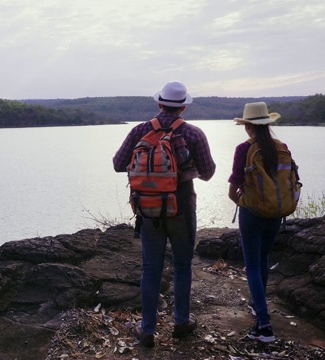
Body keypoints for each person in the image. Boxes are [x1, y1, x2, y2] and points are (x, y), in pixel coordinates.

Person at [113, 81, 216, 347]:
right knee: (182, 266)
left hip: (148, 210)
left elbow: (117, 164)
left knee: (151, 269)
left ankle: (147, 329)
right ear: (183, 106)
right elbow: (208, 173)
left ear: (159, 103)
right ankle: (181, 322)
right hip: (181, 207)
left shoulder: (140, 130)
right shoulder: (193, 133)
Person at [227, 102, 284, 343]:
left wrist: (243, 203)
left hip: (252, 213)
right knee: (263, 259)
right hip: (276, 212)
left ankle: (264, 324)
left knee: (251, 264)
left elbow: (233, 190)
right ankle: (257, 305)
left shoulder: (244, 149)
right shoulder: (281, 147)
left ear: (247, 126)